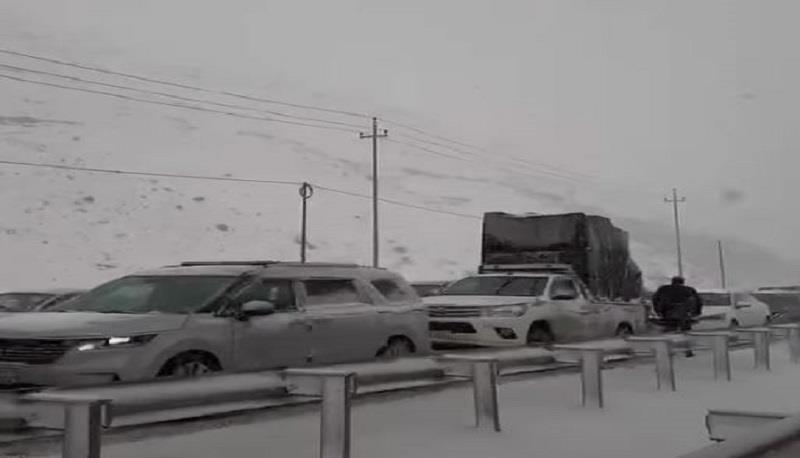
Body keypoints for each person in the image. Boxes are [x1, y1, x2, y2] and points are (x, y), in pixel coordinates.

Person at [652, 276, 703, 356]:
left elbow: (655, 299)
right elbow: (698, 302)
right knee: (685, 332)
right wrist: (696, 313)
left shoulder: (663, 289)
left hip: (668, 314)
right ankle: (688, 350)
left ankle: (668, 350)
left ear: (672, 282)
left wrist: (658, 311)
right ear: (683, 282)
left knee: (669, 332)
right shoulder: (689, 290)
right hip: (684, 315)